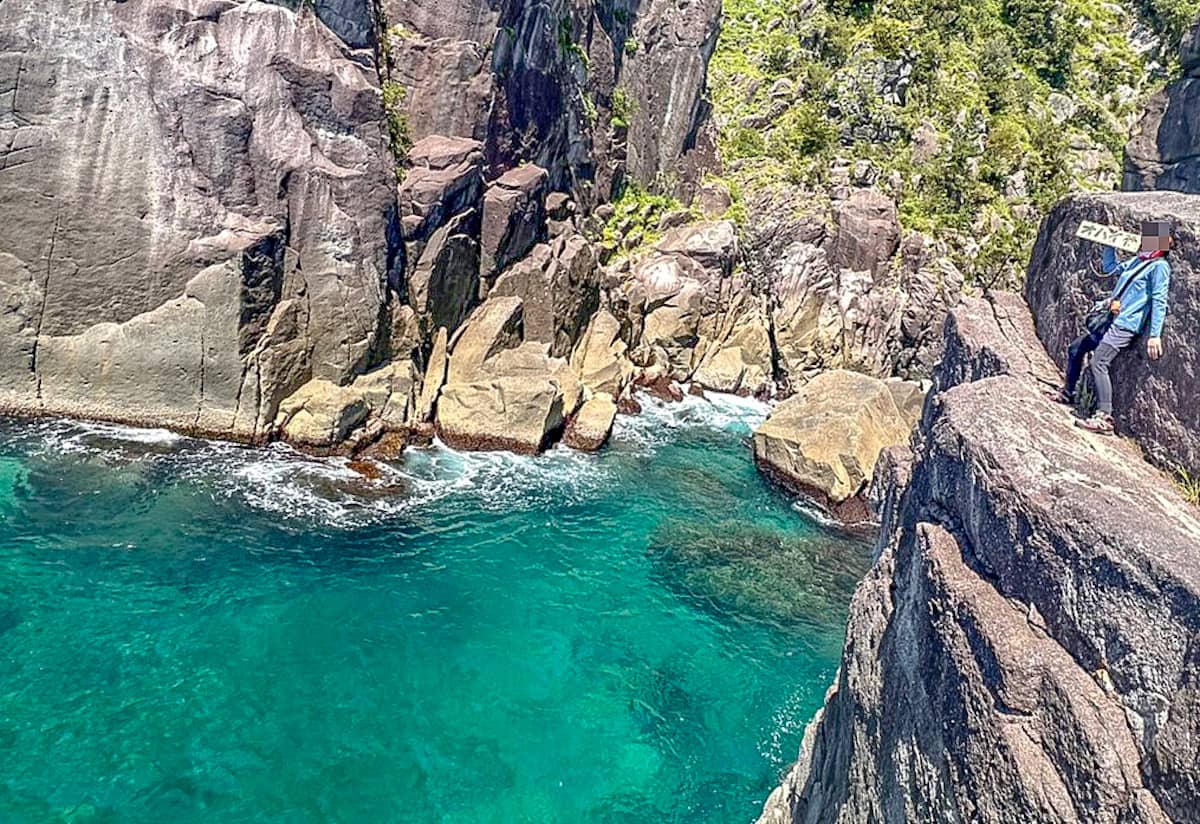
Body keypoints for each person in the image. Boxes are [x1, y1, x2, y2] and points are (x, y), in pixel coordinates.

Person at [1045, 220, 1172, 435]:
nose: (1144, 241)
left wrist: (1155, 335)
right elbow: (1110, 268)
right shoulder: (1137, 261)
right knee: (1076, 348)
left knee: (1099, 361)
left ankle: (1104, 417)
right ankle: (1068, 393)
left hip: (1125, 325)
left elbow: (1159, 300)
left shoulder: (1160, 267)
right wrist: (1109, 243)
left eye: (1150, 239)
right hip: (1111, 320)